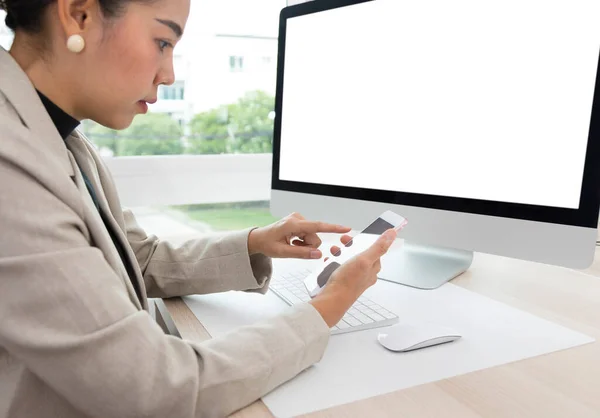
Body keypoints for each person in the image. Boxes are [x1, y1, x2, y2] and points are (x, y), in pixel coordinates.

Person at [0, 0, 398, 417]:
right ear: (78, 14)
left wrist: (253, 243)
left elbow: (135, 258)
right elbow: (154, 389)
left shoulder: (62, 136)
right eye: (162, 41)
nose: (169, 74)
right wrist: (327, 307)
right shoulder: (11, 165)